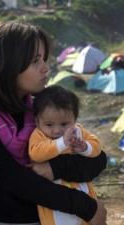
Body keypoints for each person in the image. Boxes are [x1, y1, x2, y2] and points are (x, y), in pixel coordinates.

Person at [0, 21, 107, 225]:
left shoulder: (40, 110)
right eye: (36, 61)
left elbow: (97, 161)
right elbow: (14, 180)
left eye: (44, 59)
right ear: (7, 64)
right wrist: (87, 207)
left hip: (59, 217)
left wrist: (53, 168)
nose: (46, 68)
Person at [29, 85, 101, 225]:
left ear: (74, 120)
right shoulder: (38, 135)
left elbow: (97, 147)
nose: (56, 130)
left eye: (64, 124)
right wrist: (62, 143)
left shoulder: (78, 131)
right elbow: (36, 153)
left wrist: (85, 147)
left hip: (83, 192)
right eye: (49, 124)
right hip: (56, 203)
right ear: (37, 121)